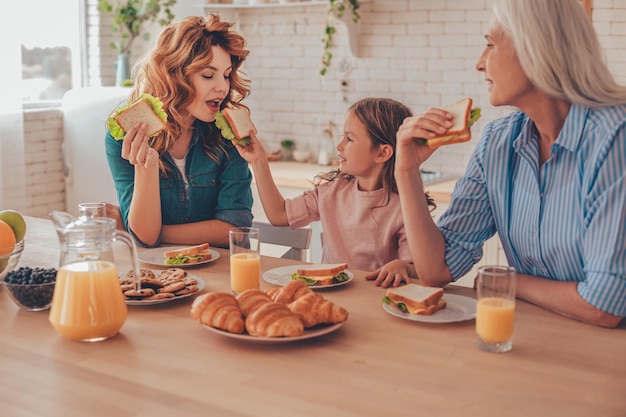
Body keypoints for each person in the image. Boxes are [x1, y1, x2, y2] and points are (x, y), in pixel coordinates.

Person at [394, 0, 626, 328]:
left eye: (490, 44)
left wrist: (510, 282)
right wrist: (406, 171)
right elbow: (436, 270)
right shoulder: (498, 142)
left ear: (536, 47)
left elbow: (605, 304)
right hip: (532, 339)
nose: (479, 63)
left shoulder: (615, 137)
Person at [236, 97, 436, 288]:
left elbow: (422, 268)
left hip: (375, 302)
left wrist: (404, 268)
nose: (339, 146)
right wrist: (258, 161)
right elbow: (279, 214)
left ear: (382, 153)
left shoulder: (405, 208)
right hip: (332, 294)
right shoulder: (332, 191)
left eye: (349, 139)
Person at [105, 14, 254, 248]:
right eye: (208, 75)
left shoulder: (227, 136)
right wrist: (147, 167)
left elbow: (235, 227)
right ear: (175, 76)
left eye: (226, 75)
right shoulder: (124, 139)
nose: (223, 87)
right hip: (160, 273)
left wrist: (146, 231)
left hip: (225, 273)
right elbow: (145, 237)